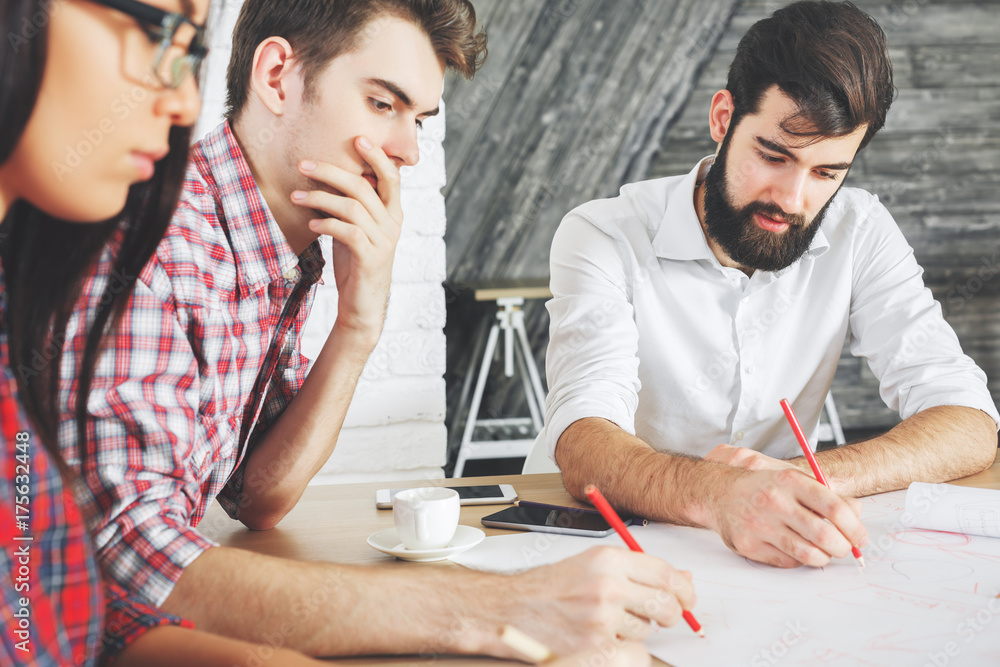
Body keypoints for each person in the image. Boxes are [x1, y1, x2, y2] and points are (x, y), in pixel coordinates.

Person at [56, 0, 696, 660]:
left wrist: (360, 322)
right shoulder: (161, 242)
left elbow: (257, 495)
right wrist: (491, 604)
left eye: (419, 120)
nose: (409, 151)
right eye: (382, 104)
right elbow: (127, 553)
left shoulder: (275, 247)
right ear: (277, 76)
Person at [535, 0, 999, 570]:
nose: (793, 198)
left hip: (760, 540)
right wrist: (724, 493)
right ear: (724, 118)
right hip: (601, 535)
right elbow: (584, 441)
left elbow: (968, 420)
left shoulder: (861, 229)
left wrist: (802, 480)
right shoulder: (602, 233)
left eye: (827, 172)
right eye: (774, 155)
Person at [0, 0, 352, 664]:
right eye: (161, 31)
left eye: (191, 48)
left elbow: (44, 604)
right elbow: (122, 553)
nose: (185, 100)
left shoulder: (20, 289)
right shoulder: (151, 239)